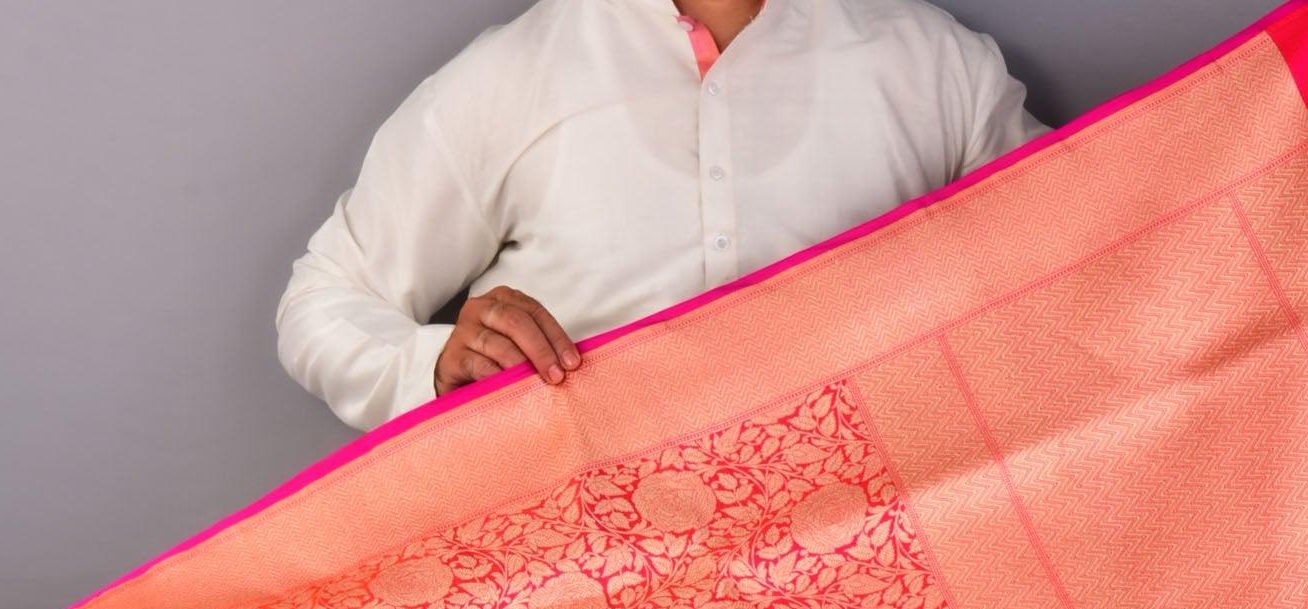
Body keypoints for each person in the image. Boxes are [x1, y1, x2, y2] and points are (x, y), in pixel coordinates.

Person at [276, 0, 1047, 434]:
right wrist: (436, 366)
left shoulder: (936, 67)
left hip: (890, 584)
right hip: (589, 605)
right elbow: (322, 301)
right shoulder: (514, 77)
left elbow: (1076, 262)